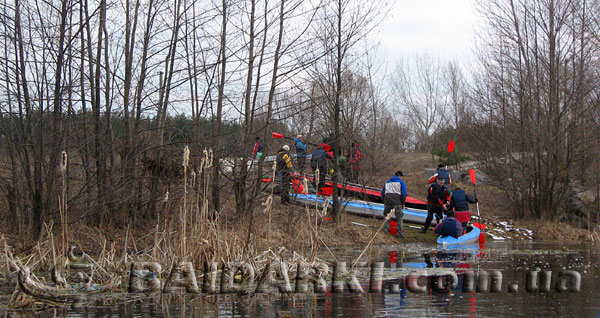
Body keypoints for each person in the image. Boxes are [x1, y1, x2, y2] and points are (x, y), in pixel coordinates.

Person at [381, 170, 407, 238]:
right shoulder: (401, 183)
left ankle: (385, 231)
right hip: (397, 202)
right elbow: (403, 193)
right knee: (399, 217)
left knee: (387, 216)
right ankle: (399, 233)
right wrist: (403, 203)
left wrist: (384, 200)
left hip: (387, 201)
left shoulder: (387, 182)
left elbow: (382, 192)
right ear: (400, 176)